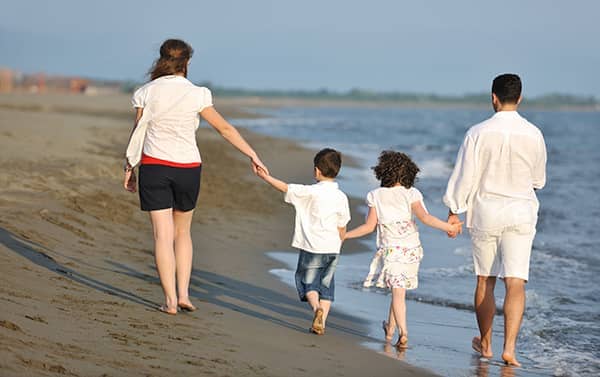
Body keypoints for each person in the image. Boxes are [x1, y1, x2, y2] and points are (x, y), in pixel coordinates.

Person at [123, 39, 268, 315]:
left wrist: (129, 168)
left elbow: (137, 134)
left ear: (161, 59)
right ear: (186, 62)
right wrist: (253, 155)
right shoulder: (198, 93)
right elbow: (224, 129)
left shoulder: (145, 92)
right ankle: (184, 294)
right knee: (183, 233)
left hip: (155, 166)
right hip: (188, 168)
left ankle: (169, 301)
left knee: (162, 236)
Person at [443, 73, 547, 366]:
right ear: (520, 98)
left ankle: (486, 343)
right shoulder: (534, 133)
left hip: (486, 211)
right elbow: (539, 180)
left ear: (493, 97)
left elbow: (465, 176)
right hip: (520, 211)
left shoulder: (477, 132)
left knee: (485, 280)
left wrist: (454, 209)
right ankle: (509, 348)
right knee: (515, 281)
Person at [345, 151, 461, 348]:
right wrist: (449, 227)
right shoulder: (412, 194)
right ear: (409, 173)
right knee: (399, 292)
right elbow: (426, 218)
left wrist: (346, 235)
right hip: (412, 250)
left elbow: (369, 227)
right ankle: (390, 328)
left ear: (382, 172)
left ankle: (404, 333)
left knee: (397, 292)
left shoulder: (376, 195)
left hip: (392, 251)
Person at [257, 148, 350, 335]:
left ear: (317, 170)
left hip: (312, 246)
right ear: (337, 171)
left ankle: (317, 310)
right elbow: (343, 225)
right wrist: (341, 240)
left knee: (308, 283)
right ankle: (321, 322)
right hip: (332, 248)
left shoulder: (310, 192)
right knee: (326, 286)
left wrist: (265, 177)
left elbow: (286, 187)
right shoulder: (341, 197)